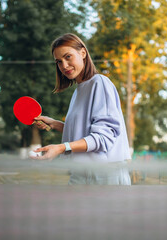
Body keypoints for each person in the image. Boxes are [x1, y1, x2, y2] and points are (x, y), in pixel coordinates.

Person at [32, 33, 131, 185]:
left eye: (68, 57)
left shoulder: (99, 83)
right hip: (81, 173)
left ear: (83, 53)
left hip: (105, 175)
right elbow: (85, 133)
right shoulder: (78, 91)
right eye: (59, 62)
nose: (64, 65)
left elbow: (103, 138)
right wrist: (54, 123)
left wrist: (60, 148)